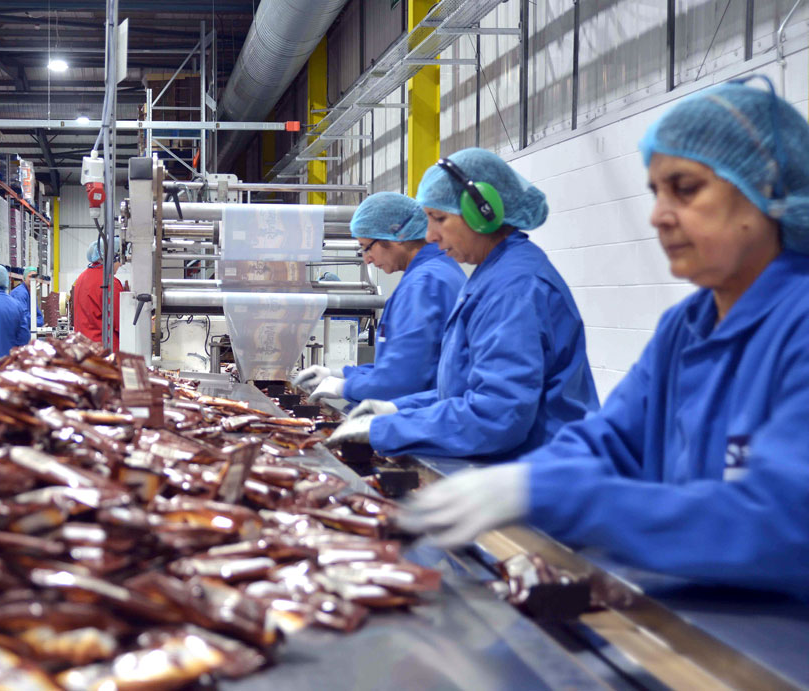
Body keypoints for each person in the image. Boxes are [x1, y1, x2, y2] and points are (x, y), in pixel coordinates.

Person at [399, 78, 809, 594]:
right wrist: (530, 481)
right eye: (656, 192)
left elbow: (786, 522)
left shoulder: (798, 324)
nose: (659, 215)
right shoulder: (686, 326)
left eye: (686, 189)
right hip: (705, 611)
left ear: (767, 190)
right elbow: (610, 439)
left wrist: (573, 500)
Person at [328, 148, 599, 460]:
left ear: (481, 212)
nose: (429, 236)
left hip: (544, 473)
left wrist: (386, 429)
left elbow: (497, 415)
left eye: (439, 219)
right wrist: (399, 408)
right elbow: (464, 390)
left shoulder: (514, 288)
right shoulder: (493, 274)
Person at [292, 192, 465, 405]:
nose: (367, 259)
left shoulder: (423, 284)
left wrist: (344, 386)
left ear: (397, 235)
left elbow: (400, 382)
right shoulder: (440, 271)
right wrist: (340, 374)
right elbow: (409, 365)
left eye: (367, 247)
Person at [72, 238, 124, 350]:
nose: (120, 265)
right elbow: (121, 323)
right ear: (112, 258)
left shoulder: (82, 277)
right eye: (119, 260)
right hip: (103, 350)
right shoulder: (110, 282)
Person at [10, 265, 45, 333]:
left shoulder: (31, 293)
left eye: (35, 276)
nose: (33, 279)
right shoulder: (20, 293)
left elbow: (39, 315)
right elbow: (23, 317)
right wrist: (38, 323)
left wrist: (38, 322)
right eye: (30, 276)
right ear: (24, 278)